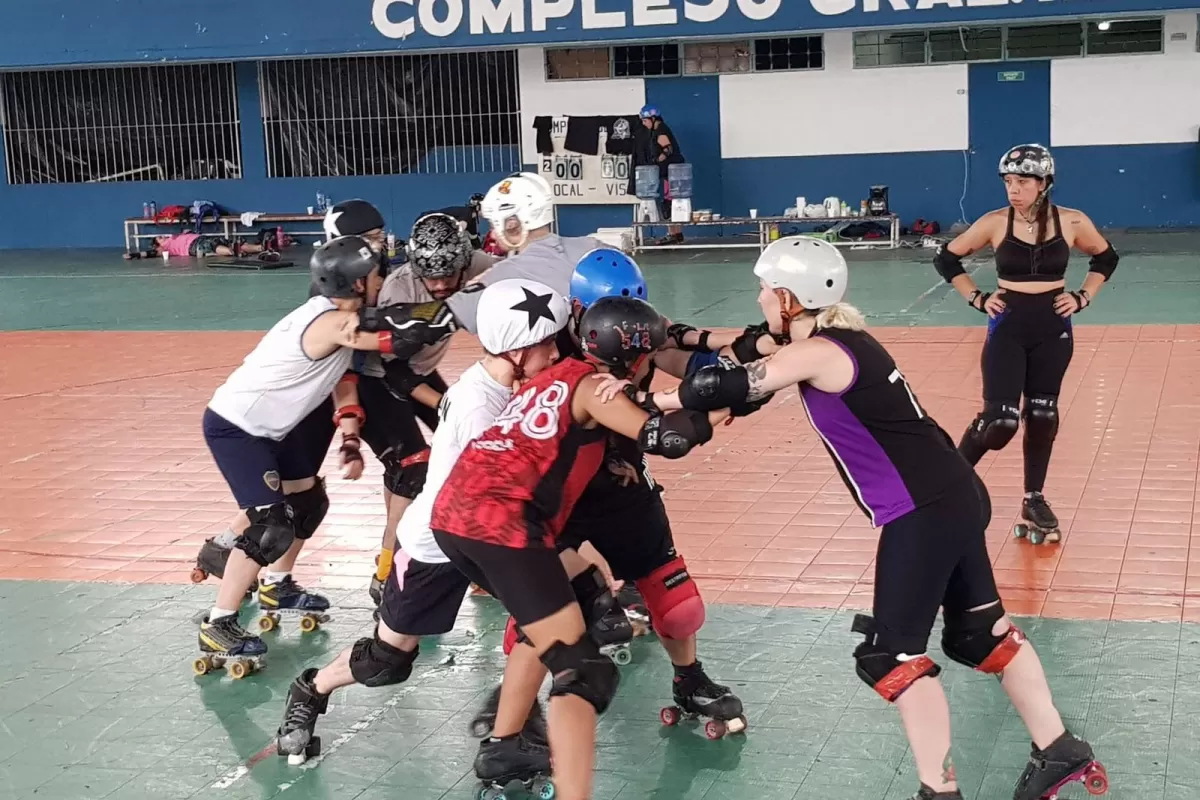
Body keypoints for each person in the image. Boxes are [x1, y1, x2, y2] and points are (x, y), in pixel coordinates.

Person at [648, 235, 1107, 800]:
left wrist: (642, 403)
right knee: (977, 636)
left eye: (766, 289)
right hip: (956, 494)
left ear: (789, 298)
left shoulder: (818, 351)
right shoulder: (842, 340)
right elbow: (744, 367)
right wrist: (686, 361)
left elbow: (723, 383)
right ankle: (1060, 748)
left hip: (924, 511)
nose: (762, 297)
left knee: (890, 655)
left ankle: (939, 791)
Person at [275, 279, 570, 793]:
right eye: (547, 344)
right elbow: (502, 489)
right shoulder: (482, 405)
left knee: (549, 617)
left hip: (478, 532)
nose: (555, 353)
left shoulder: (505, 383)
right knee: (388, 662)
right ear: (518, 351)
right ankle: (310, 690)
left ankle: (512, 731)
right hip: (438, 541)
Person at [429, 295, 720, 800]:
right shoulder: (592, 386)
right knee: (584, 672)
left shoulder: (555, 375)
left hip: (456, 515)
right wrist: (725, 405)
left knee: (575, 619)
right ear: (637, 356)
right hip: (507, 523)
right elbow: (664, 439)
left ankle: (505, 744)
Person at [192, 236, 405, 676]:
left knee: (308, 503)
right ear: (358, 282)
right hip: (236, 429)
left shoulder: (341, 320)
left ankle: (277, 586)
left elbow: (343, 380)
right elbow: (386, 337)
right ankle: (220, 621)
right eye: (377, 275)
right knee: (270, 525)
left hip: (272, 430)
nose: (383, 280)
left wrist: (349, 439)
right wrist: (443, 315)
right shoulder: (329, 320)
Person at [934, 144, 1117, 544]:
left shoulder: (1072, 221)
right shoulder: (995, 222)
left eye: (1023, 182)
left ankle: (1033, 498)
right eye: (1008, 182)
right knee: (1000, 423)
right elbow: (947, 258)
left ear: (1044, 184)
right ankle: (948, 483)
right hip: (1009, 326)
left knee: (1043, 415)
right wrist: (976, 297)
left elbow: (1106, 258)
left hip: (1053, 329)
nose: (1013, 190)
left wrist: (1084, 296)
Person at [347, 209, 498, 606]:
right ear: (415, 268)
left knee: (481, 451)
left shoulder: (481, 264)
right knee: (413, 471)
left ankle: (481, 560)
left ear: (465, 261)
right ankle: (385, 574)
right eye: (431, 278)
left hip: (419, 371)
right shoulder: (400, 287)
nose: (441, 285)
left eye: (450, 276)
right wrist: (448, 406)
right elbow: (396, 372)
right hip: (380, 379)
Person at [636, 104, 686, 245]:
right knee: (672, 202)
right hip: (672, 172)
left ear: (652, 118)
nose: (644, 124)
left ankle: (673, 234)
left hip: (672, 173)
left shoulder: (660, 131)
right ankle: (676, 233)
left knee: (669, 204)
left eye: (645, 121)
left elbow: (667, 149)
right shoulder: (659, 129)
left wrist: (657, 161)